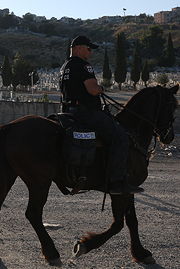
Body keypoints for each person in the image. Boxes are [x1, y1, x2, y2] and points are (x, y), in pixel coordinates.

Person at [59, 36, 143, 195]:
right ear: (78, 48)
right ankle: (117, 181)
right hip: (86, 113)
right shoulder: (84, 66)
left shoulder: (65, 67)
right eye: (88, 49)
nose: (91, 53)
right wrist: (101, 88)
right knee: (120, 137)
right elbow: (92, 90)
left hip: (68, 111)